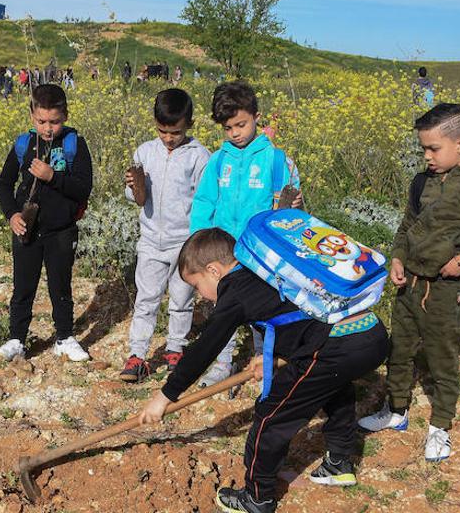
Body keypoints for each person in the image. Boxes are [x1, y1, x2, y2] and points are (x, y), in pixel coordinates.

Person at [138, 228, 389, 513]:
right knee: (334, 387)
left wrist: (164, 396)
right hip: (369, 333)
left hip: (336, 347)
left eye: (197, 286)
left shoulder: (234, 290)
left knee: (271, 417)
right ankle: (339, 463)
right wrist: (271, 357)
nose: (202, 296)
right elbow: (297, 316)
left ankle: (257, 498)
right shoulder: (264, 270)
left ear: (214, 271)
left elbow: (203, 350)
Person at [358, 103, 460, 462]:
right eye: (423, 149)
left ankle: (440, 427)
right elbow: (405, 228)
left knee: (443, 358)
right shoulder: (422, 181)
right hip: (409, 284)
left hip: (450, 291)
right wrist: (397, 258)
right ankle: (396, 411)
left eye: (433, 148)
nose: (427, 156)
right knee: (398, 350)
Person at [189, 81, 303, 387]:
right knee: (222, 311)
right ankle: (222, 364)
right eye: (228, 128)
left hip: (261, 256)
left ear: (256, 116)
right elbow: (204, 202)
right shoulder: (218, 161)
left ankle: (262, 360)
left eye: (241, 124)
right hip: (224, 255)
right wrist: (200, 243)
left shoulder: (278, 161)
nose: (235, 133)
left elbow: (292, 211)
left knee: (261, 312)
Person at [0, 84, 94, 363]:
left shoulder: (75, 144)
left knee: (60, 286)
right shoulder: (24, 145)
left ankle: (64, 337)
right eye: (42, 121)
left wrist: (53, 176)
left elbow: (83, 188)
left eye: (55, 121)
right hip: (27, 229)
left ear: (66, 115)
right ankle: (16, 339)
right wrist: (12, 215)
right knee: (23, 286)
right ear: (31, 117)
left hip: (61, 230)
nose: (48, 128)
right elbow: (3, 184)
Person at [120, 89, 210, 382]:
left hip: (185, 244)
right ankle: (137, 355)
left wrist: (198, 242)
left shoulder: (199, 156)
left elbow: (203, 199)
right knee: (146, 298)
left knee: (182, 300)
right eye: (162, 131)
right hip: (150, 242)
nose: (168, 138)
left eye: (176, 132)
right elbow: (135, 197)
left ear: (189, 125)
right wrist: (135, 185)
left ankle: (175, 349)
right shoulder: (145, 152)